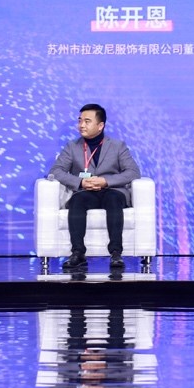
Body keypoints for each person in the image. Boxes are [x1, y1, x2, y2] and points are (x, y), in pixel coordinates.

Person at [48, 103, 141, 273]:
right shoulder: (72, 147)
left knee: (113, 199)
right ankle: (77, 253)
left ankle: (116, 253)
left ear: (100, 125)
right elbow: (55, 171)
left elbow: (133, 172)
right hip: (86, 191)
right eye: (80, 121)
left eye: (87, 121)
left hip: (112, 190)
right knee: (76, 200)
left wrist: (106, 181)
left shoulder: (117, 146)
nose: (81, 125)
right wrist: (80, 182)